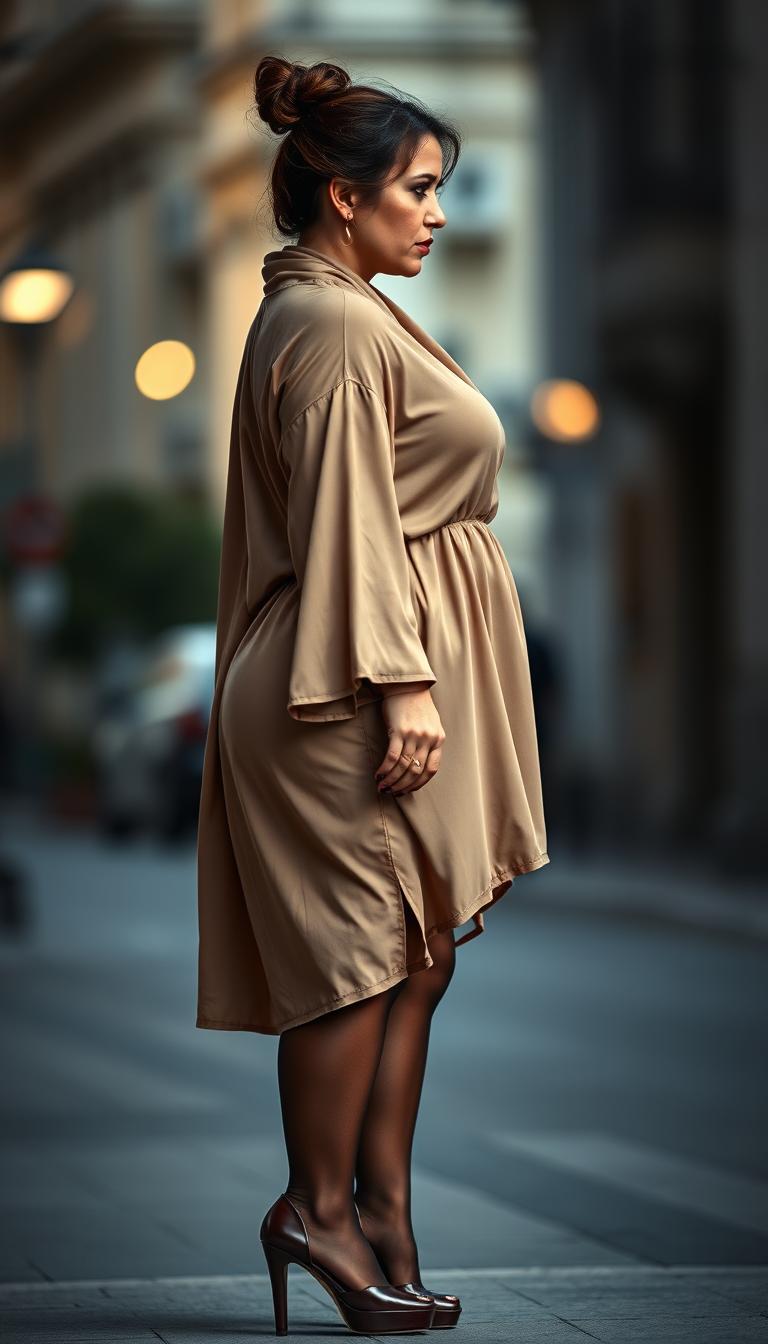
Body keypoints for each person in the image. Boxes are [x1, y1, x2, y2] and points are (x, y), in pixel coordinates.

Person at [196, 55, 550, 1336]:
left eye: (440, 187)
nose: (439, 211)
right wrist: (401, 683)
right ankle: (319, 1213)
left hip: (342, 666)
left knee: (417, 951)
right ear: (343, 198)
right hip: (344, 679)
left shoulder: (336, 306)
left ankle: (381, 1214)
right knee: (357, 963)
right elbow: (346, 517)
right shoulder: (337, 323)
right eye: (418, 187)